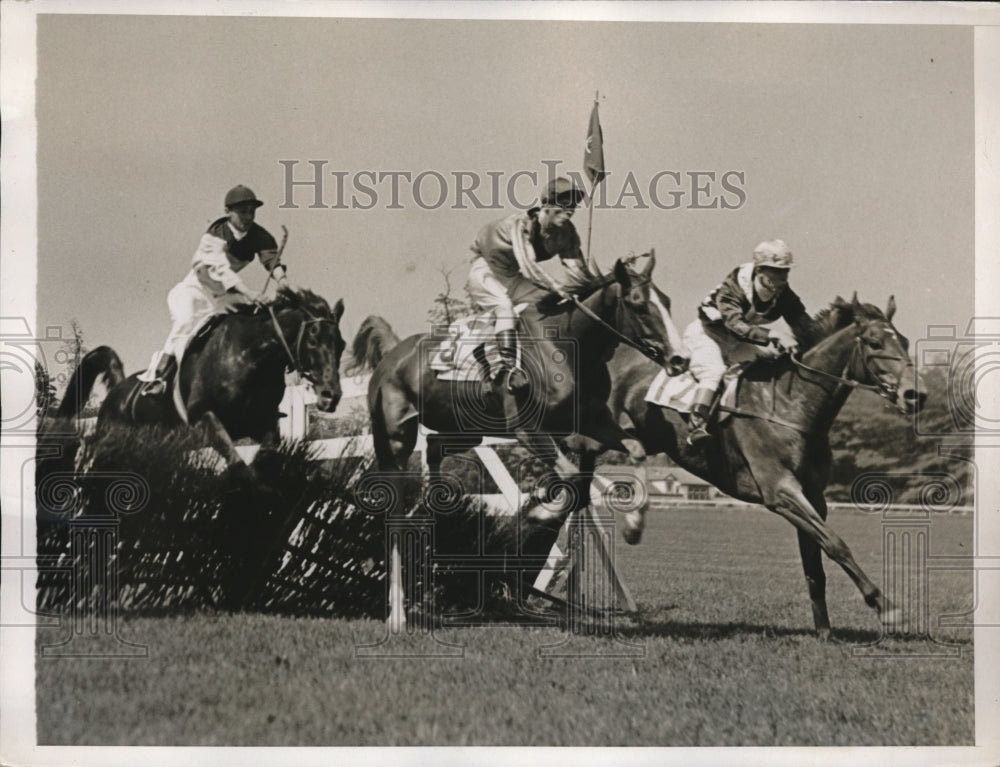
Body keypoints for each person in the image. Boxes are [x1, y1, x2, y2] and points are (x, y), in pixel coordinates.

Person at [139, 185, 284, 396]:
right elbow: (221, 271)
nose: (248, 216)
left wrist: (283, 281)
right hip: (194, 291)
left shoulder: (259, 236)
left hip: (222, 298)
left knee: (256, 317)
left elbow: (271, 260)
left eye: (252, 211)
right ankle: (159, 377)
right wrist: (248, 292)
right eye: (242, 211)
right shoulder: (215, 234)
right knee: (186, 321)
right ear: (228, 212)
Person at [465, 176, 600, 392]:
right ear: (546, 206)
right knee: (504, 307)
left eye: (573, 207)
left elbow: (576, 269)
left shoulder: (567, 233)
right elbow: (528, 266)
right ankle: (507, 369)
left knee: (543, 304)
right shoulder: (520, 226)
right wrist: (559, 288)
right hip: (486, 271)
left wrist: (591, 289)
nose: (570, 211)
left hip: (512, 276)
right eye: (563, 206)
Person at [683, 239, 814, 445]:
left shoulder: (783, 295)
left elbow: (805, 326)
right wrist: (772, 334)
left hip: (738, 342)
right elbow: (734, 323)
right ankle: (696, 426)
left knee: (766, 368)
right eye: (777, 272)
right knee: (714, 371)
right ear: (760, 270)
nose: (783, 278)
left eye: (786, 272)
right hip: (707, 335)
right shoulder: (734, 286)